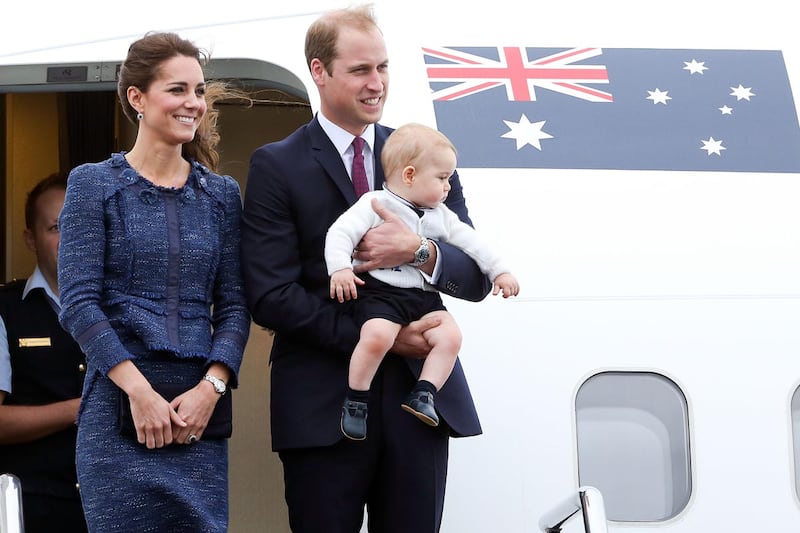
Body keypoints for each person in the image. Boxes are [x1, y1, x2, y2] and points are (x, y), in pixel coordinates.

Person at [241, 5, 493, 532]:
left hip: (417, 403)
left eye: (382, 68)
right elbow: (271, 295)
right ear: (319, 71)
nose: (376, 83)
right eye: (360, 70)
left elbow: (474, 277)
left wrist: (418, 252)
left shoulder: (424, 154)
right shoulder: (277, 164)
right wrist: (382, 337)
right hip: (323, 406)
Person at [56, 32, 250, 532]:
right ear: (136, 98)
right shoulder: (93, 183)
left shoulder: (222, 195)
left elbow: (233, 305)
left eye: (200, 91)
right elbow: (78, 301)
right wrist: (139, 393)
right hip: (118, 413)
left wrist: (213, 387)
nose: (193, 103)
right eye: (178, 89)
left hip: (198, 419)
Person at [326, 123, 520, 441]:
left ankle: (424, 392)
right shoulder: (375, 204)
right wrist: (340, 269)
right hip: (384, 295)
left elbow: (472, 244)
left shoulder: (441, 215)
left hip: (425, 298)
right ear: (411, 175)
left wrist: (499, 271)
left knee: (451, 336)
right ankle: (357, 398)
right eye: (442, 179)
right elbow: (341, 233)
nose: (448, 187)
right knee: (376, 335)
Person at [0, 173, 88, 533]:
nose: (70, 238)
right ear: (30, 240)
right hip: (35, 507)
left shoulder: (124, 307)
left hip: (115, 504)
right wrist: (78, 409)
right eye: (55, 227)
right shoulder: (6, 310)